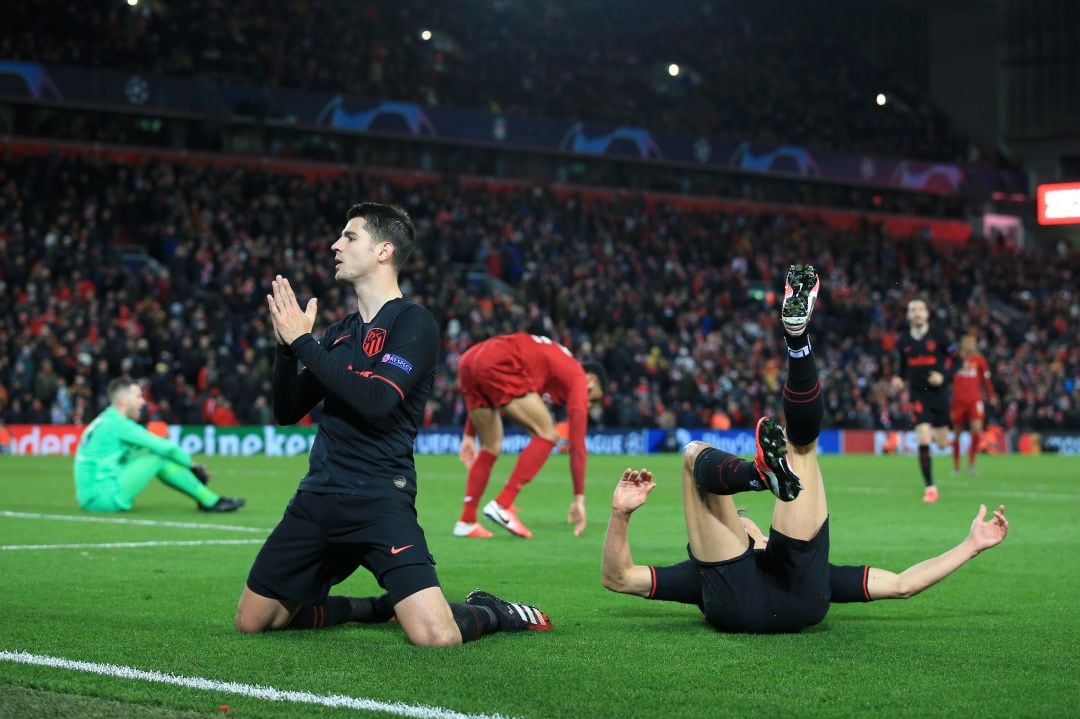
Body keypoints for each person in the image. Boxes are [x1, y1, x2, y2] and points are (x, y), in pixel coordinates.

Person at [600, 265, 1009, 633]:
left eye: (740, 514)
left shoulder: (699, 574)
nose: (740, 518)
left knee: (696, 453)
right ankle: (795, 350)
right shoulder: (708, 574)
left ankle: (767, 442)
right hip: (794, 595)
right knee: (801, 450)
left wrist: (971, 546)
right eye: (739, 514)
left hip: (737, 599)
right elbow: (618, 578)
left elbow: (903, 585)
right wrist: (620, 514)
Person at [235, 202, 551, 644]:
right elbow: (287, 412)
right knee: (253, 621)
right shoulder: (338, 333)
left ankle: (493, 613)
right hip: (319, 494)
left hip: (380, 496)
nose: (335, 245)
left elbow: (378, 399)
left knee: (435, 636)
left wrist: (305, 344)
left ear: (384, 251)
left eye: (349, 236)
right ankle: (376, 608)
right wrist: (286, 350)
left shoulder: (414, 323)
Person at [454, 333, 606, 539]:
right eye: (592, 398)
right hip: (498, 360)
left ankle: (466, 521)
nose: (587, 404)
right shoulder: (578, 376)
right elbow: (577, 444)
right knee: (547, 434)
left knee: (491, 445)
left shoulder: (553, 365)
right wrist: (579, 497)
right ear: (592, 379)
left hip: (471, 359)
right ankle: (503, 504)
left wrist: (470, 435)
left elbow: (485, 373)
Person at [74, 377, 244, 513]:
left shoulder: (106, 419)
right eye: (138, 397)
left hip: (91, 496)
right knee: (157, 453)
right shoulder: (119, 424)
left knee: (151, 453)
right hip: (103, 498)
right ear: (124, 400)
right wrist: (192, 466)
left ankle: (208, 500)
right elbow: (166, 447)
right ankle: (209, 500)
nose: (143, 402)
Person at [890, 296, 956, 503]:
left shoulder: (939, 336)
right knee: (924, 439)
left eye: (921, 309)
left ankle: (940, 436)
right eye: (913, 310)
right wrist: (899, 379)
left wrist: (943, 376)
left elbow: (957, 359)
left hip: (939, 395)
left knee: (943, 443)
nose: (917, 312)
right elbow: (901, 367)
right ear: (909, 315)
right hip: (918, 395)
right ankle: (930, 487)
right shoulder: (903, 342)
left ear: (927, 314)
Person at [950, 334, 996, 476]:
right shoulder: (955, 360)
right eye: (967, 342)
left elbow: (986, 380)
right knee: (957, 433)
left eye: (972, 342)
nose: (970, 345)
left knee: (977, 429)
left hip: (975, 400)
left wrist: (991, 395)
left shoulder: (979, 361)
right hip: (958, 401)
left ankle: (971, 464)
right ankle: (957, 466)